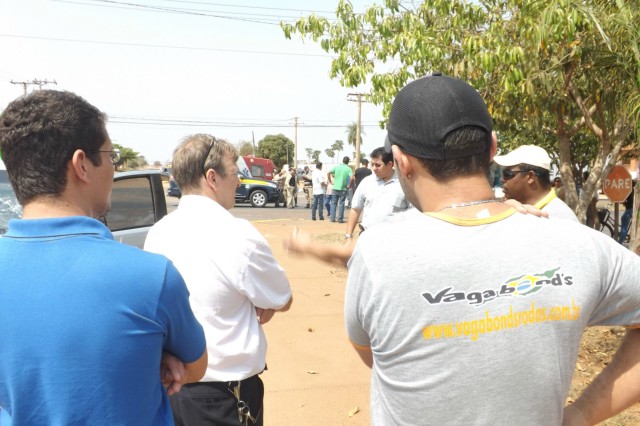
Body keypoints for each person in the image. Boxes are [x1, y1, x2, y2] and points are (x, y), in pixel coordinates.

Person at [346, 73, 640, 425]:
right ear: (492, 147)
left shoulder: (378, 253)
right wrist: (580, 415)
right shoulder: (579, 244)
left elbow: (376, 357)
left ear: (402, 161)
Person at [0, 90, 207, 425]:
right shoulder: (150, 277)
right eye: (111, 156)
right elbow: (195, 367)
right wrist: (150, 356)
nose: (113, 168)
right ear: (82, 164)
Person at [144, 134, 292, 426]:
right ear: (212, 177)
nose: (238, 183)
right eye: (235, 174)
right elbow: (282, 297)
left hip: (172, 392)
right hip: (225, 396)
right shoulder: (238, 234)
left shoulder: (158, 232)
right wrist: (264, 304)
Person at [494, 145, 579, 221]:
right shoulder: (513, 209)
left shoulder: (561, 219)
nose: (502, 179)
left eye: (507, 174)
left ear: (530, 177)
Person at [344, 146, 412, 239]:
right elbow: (355, 209)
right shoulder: (367, 183)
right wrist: (348, 236)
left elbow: (413, 213)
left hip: (395, 239)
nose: (374, 168)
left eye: (378, 165)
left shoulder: (404, 184)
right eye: (372, 164)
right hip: (368, 237)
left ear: (390, 164)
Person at [328, 156, 352, 223]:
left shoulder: (337, 167)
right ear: (348, 162)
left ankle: (332, 219)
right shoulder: (348, 169)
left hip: (335, 187)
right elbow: (352, 177)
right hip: (343, 188)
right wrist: (349, 185)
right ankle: (340, 220)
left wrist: (330, 181)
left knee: (333, 203)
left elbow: (328, 172)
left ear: (342, 161)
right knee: (341, 204)